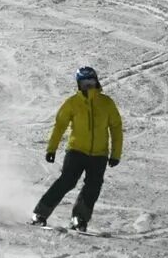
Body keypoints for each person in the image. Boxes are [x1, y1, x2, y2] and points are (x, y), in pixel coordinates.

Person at [32, 65, 124, 231]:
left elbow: (116, 128)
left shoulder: (106, 103)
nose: (88, 85)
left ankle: (79, 219)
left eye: (91, 81)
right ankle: (40, 214)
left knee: (93, 187)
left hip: (99, 154)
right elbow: (60, 126)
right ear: (79, 84)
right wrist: (51, 149)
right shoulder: (72, 103)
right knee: (66, 182)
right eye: (84, 82)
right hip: (76, 151)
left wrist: (115, 154)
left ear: (96, 81)